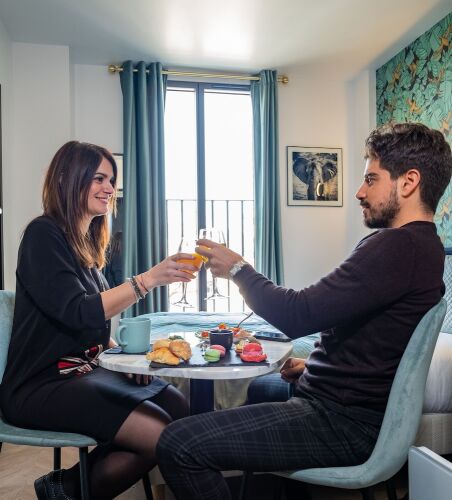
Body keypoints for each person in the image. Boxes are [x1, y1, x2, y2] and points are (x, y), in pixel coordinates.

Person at [156, 123, 452, 500]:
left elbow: (298, 315)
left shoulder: (396, 247)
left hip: (343, 422)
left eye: (371, 179)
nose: (359, 192)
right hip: (344, 405)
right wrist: (314, 364)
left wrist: (238, 269)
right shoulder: (424, 247)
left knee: (178, 444)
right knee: (262, 386)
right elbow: (379, 339)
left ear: (408, 182)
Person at [0, 141, 198, 500]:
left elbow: (93, 328)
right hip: (41, 384)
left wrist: (125, 360)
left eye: (111, 180)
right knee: (163, 436)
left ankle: (67, 487)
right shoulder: (42, 235)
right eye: (98, 178)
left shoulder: (86, 245)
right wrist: (147, 280)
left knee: (176, 405)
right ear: (66, 179)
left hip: (83, 372)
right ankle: (71, 489)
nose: (109, 188)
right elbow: (79, 311)